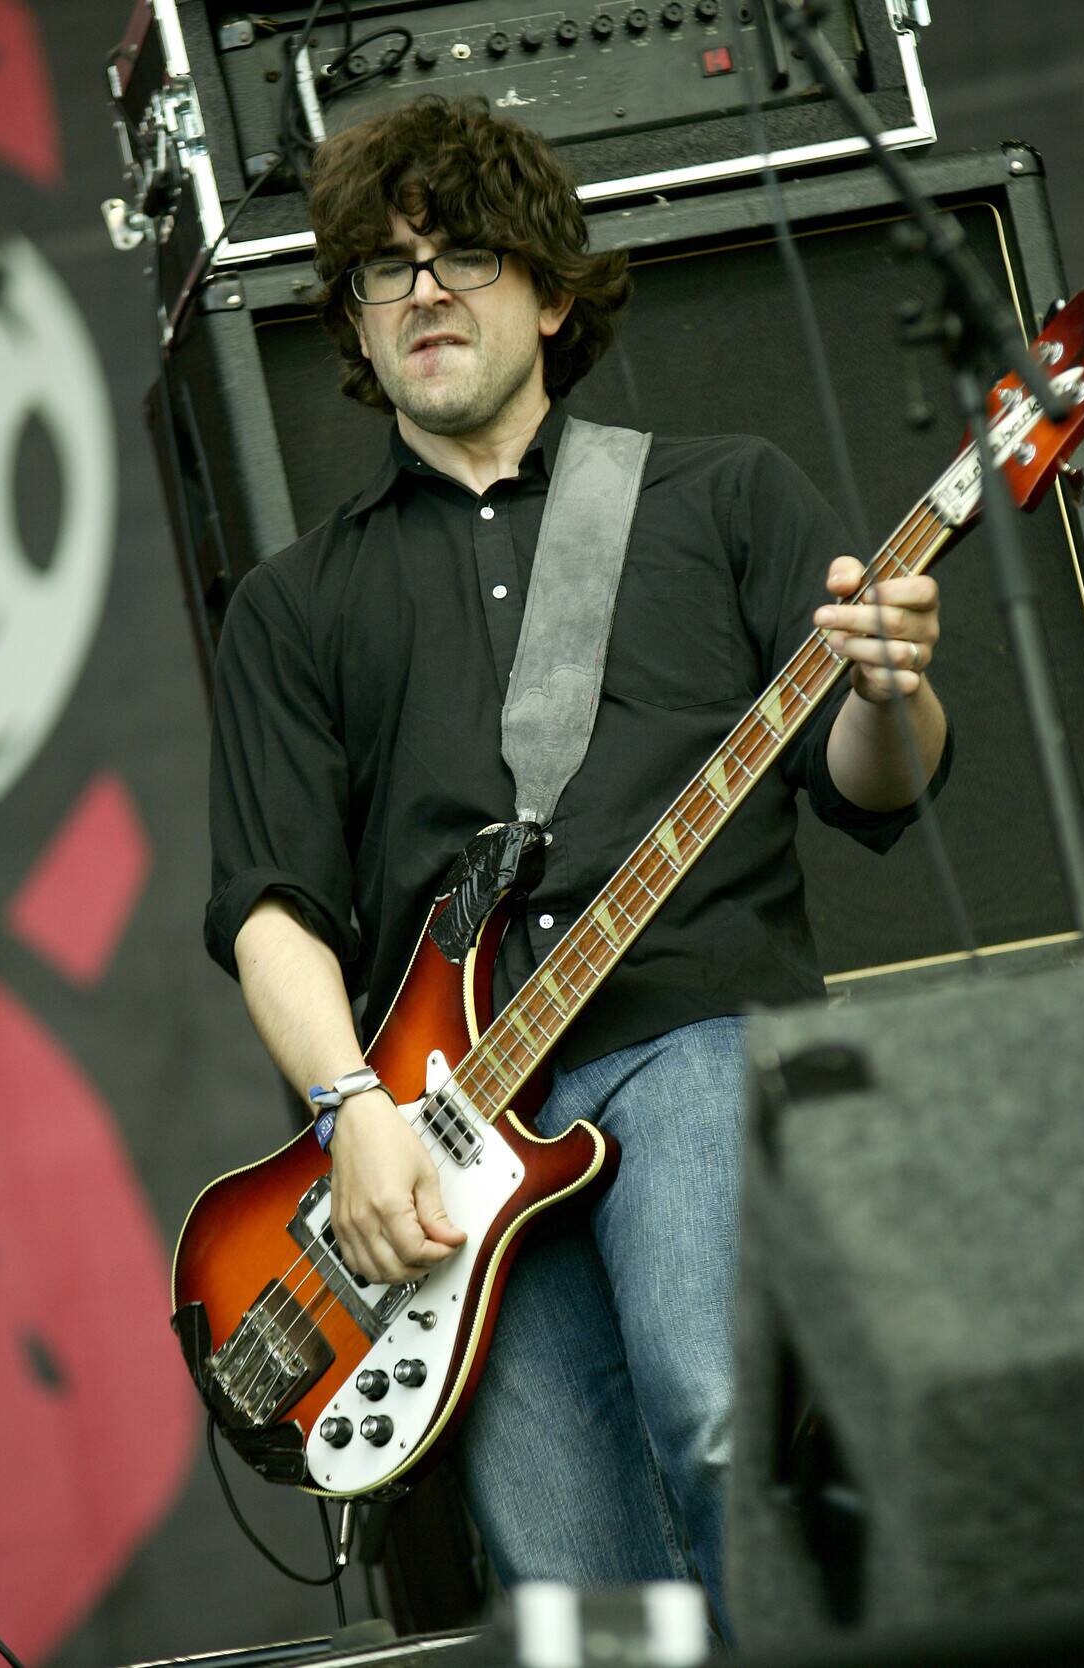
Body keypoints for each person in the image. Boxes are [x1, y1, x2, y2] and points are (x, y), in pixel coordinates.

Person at [203, 95, 950, 1636]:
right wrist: (351, 1117)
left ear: (549, 290)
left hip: (691, 1032)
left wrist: (891, 687)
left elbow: (880, 786)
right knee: (568, 1567)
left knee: (718, 1413)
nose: (421, 290)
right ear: (351, 323)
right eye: (382, 271)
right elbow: (273, 907)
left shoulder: (724, 492)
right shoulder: (296, 605)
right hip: (449, 1127)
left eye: (462, 255)